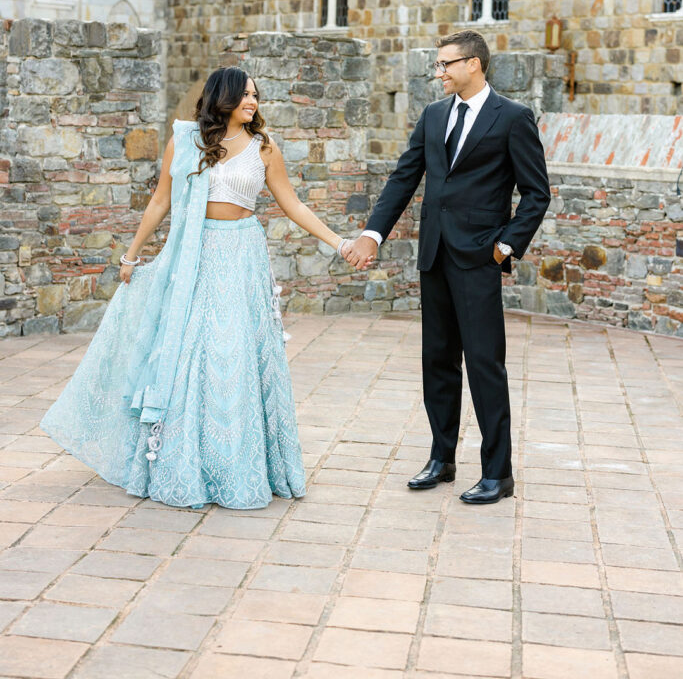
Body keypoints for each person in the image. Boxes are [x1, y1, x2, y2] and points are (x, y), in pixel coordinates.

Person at [41, 67, 349, 510]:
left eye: (256, 95)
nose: (253, 102)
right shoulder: (186, 142)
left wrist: (340, 243)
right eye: (245, 95)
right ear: (222, 97)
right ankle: (186, 463)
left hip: (241, 256)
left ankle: (237, 464)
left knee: (236, 355)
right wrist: (131, 253)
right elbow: (160, 200)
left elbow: (293, 203)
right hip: (195, 255)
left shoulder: (264, 147)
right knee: (191, 354)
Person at [345, 30, 550, 504]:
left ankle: (498, 474)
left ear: (474, 64)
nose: (439, 73)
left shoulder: (513, 118)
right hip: (433, 254)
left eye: (446, 65)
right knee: (437, 361)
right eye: (438, 65)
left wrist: (505, 247)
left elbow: (536, 193)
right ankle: (442, 459)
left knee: (484, 364)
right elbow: (404, 177)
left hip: (479, 258)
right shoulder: (434, 115)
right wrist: (372, 233)